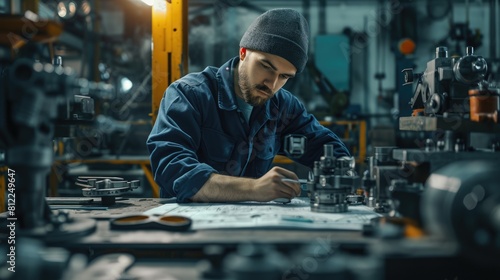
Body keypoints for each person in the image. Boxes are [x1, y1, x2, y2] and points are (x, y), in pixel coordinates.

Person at [147, 8, 350, 203]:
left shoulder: (284, 107)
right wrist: (254, 189)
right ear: (243, 52)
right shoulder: (189, 95)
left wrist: (341, 172)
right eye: (266, 66)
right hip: (188, 228)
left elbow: (327, 148)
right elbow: (173, 169)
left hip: (251, 228)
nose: (272, 84)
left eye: (284, 76)